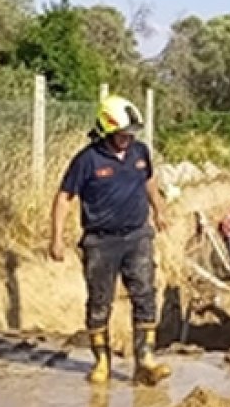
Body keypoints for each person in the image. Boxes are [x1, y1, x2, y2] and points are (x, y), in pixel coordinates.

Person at [48, 95, 171, 386]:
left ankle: (145, 360)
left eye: (131, 133)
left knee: (145, 296)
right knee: (100, 302)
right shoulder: (87, 160)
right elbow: (64, 198)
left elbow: (149, 180)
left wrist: (159, 209)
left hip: (138, 236)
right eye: (122, 133)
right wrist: (57, 238)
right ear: (107, 129)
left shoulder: (140, 152)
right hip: (100, 243)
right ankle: (102, 361)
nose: (128, 138)